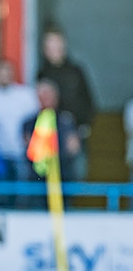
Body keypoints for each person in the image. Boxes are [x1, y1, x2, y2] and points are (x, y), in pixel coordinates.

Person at [37, 27, 94, 180]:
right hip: (49, 133)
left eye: (57, 44)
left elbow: (89, 101)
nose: (54, 49)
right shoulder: (42, 73)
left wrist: (82, 128)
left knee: (76, 175)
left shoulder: (76, 71)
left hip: (75, 132)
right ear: (44, 49)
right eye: (50, 45)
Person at [0, 59, 40, 182]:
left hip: (23, 154)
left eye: (7, 71)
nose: (4, 75)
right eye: (0, 72)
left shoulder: (27, 95)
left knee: (23, 193)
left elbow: (36, 122)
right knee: (2, 194)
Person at [22, 79, 82, 207]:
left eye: (49, 95)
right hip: (37, 180)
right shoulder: (29, 123)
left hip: (62, 177)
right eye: (42, 96)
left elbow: (73, 147)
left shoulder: (66, 121)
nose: (46, 99)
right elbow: (29, 149)